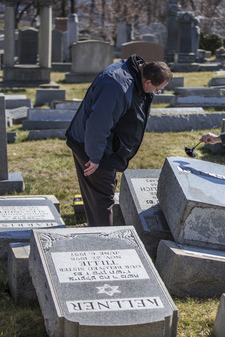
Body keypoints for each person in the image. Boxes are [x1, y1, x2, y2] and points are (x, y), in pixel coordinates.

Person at [65, 54, 172, 226]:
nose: (156, 93)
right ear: (148, 83)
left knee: (99, 195)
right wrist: (94, 157)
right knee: (103, 199)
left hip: (104, 147)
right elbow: (98, 124)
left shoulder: (135, 72)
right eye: (158, 89)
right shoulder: (117, 86)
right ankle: (103, 244)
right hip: (93, 147)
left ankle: (97, 233)